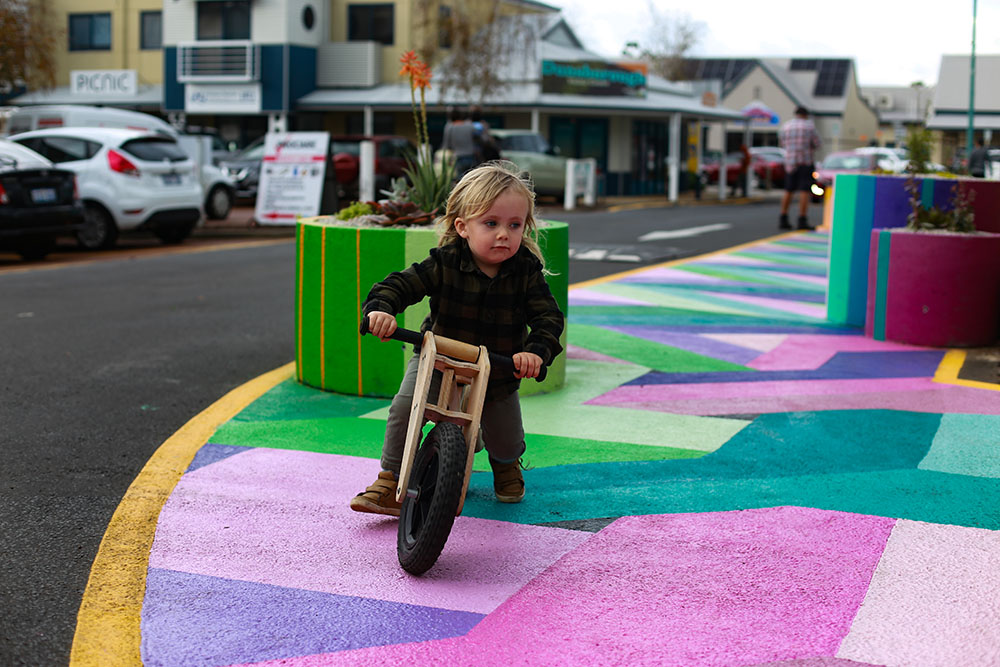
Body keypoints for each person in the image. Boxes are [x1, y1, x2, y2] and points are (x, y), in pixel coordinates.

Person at [350, 161, 565, 515]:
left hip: (498, 367)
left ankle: (506, 463)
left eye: (514, 225)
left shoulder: (524, 270)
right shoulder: (446, 261)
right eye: (491, 224)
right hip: (439, 357)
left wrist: (535, 353)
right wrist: (382, 310)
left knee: (506, 437)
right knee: (404, 409)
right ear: (463, 227)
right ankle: (389, 478)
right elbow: (400, 285)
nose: (504, 235)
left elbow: (547, 317)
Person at [779, 106, 822, 230]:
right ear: (805, 115)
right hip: (805, 162)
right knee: (805, 190)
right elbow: (817, 144)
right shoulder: (809, 126)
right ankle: (802, 219)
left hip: (790, 163)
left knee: (788, 190)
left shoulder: (786, 126)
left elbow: (782, 143)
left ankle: (783, 217)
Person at [440, 107, 479, 178]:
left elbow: (446, 145)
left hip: (458, 157)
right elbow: (478, 138)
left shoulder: (449, 127)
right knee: (471, 179)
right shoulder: (469, 126)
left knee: (460, 180)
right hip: (471, 156)